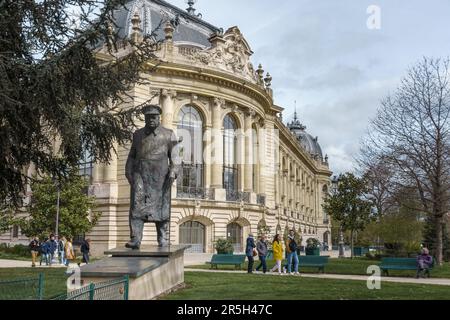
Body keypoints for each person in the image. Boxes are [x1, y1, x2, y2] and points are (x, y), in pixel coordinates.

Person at [125, 104, 181, 249]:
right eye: (148, 117)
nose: (151, 120)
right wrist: (128, 170)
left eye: (154, 117)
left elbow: (175, 156)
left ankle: (163, 238)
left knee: (162, 209)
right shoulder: (137, 134)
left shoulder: (169, 134)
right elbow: (132, 155)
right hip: (140, 176)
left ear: (159, 118)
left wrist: (173, 171)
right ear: (145, 118)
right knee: (136, 207)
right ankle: (135, 239)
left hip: (161, 178)